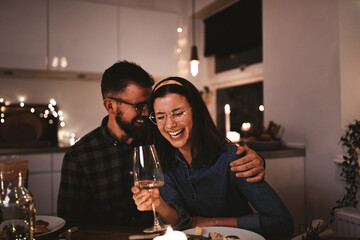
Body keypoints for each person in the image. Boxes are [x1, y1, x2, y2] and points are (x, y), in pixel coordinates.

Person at [57, 61, 265, 226]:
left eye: (148, 105)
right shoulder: (80, 156)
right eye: (138, 106)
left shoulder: (161, 135)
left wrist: (256, 160)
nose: (147, 113)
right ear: (110, 106)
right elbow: (70, 224)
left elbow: (210, 149)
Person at [132, 77, 294, 237]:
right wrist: (159, 204)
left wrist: (212, 223)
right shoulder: (163, 161)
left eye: (178, 113)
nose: (169, 125)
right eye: (161, 116)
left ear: (196, 111)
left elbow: (281, 222)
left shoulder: (232, 157)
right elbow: (181, 222)